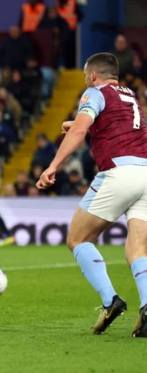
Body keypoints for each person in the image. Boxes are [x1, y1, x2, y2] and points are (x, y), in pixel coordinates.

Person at [36, 53, 147, 337]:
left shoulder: (94, 92)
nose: (86, 80)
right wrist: (75, 121)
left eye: (87, 76)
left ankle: (110, 301)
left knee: (77, 238)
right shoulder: (130, 95)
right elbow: (112, 123)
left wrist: (53, 165)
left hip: (119, 172)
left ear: (94, 75)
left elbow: (81, 133)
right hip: (145, 171)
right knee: (138, 250)